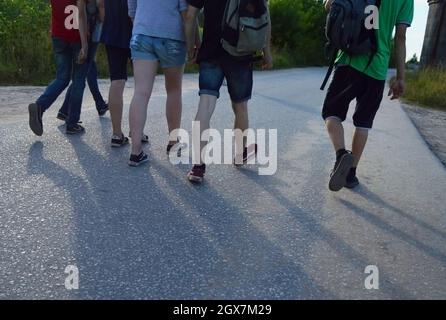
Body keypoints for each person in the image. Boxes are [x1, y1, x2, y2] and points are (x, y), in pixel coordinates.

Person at [322, 0, 414, 191]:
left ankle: (341, 155)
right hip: (377, 67)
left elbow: (329, 6)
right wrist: (400, 77)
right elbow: (401, 37)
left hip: (349, 58)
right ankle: (351, 173)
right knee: (363, 123)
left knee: (332, 113)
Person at [184, 0, 273, 183]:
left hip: (210, 51)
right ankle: (240, 153)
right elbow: (264, 17)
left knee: (206, 104)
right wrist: (267, 51)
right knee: (240, 106)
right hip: (240, 53)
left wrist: (190, 49)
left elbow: (190, 15)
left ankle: (198, 167)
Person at [127, 0, 192, 166]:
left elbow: (132, 10)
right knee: (174, 91)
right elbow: (186, 12)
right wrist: (192, 44)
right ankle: (173, 142)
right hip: (172, 36)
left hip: (141, 34)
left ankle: (135, 151)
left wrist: (143, 29)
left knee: (140, 93)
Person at [28, 0, 89, 136]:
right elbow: (80, 14)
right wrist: (85, 44)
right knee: (78, 80)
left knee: (62, 78)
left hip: (58, 36)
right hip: (76, 37)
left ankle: (40, 106)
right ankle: (72, 123)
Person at [97, 0, 148, 148]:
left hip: (112, 30)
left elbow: (100, 3)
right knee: (141, 85)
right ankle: (137, 131)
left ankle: (116, 134)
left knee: (116, 80)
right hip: (136, 31)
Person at [57, 0, 109, 122]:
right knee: (82, 73)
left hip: (80, 29)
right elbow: (101, 6)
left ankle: (98, 104)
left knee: (87, 69)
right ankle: (66, 111)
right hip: (91, 30)